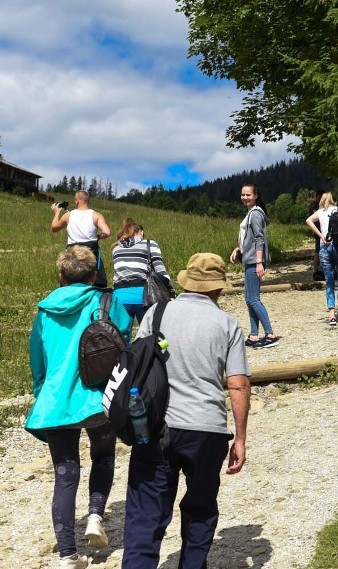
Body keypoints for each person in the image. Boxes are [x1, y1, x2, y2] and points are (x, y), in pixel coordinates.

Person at [122, 252, 251, 569]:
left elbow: (135, 364)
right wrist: (241, 439)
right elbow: (237, 385)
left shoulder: (156, 313)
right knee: (201, 507)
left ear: (187, 283)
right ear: (219, 289)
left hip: (156, 426)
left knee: (146, 511)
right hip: (207, 430)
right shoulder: (228, 325)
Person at [25, 246, 132, 569]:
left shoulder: (45, 311)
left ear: (61, 276)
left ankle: (68, 555)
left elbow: (37, 362)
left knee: (65, 474)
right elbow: (123, 343)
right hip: (98, 399)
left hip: (56, 402)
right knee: (103, 456)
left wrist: (41, 393)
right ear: (94, 274)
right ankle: (96, 515)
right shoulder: (109, 302)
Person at [229, 183, 280, 349]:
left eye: (248, 195)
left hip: (254, 261)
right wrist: (238, 249)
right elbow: (249, 238)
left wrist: (259, 262)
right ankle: (253, 335)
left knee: (253, 299)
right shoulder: (251, 213)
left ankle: (270, 334)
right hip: (249, 258)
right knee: (248, 299)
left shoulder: (256, 214)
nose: (245, 198)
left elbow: (259, 239)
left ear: (256, 195)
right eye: (242, 195)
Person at [111, 218, 176, 324]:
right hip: (144, 296)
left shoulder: (116, 249)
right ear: (141, 232)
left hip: (120, 296)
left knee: (120, 337)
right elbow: (160, 269)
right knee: (149, 334)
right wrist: (171, 291)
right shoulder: (149, 244)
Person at [306, 192, 338, 325]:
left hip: (325, 247)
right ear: (335, 200)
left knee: (329, 280)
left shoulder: (320, 212)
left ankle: (331, 314)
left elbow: (308, 220)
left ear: (322, 200)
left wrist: (321, 235)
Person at [50, 190, 111, 287]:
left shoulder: (68, 215)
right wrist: (98, 236)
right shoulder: (96, 215)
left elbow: (54, 227)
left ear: (76, 201)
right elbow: (107, 232)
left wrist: (57, 212)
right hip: (91, 252)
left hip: (73, 252)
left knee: (70, 281)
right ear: (88, 201)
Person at [308, 189, 324, 276]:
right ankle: (316, 270)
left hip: (318, 230)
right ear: (318, 196)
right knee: (318, 250)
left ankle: (318, 269)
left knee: (318, 250)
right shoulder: (314, 205)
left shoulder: (314, 205)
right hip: (318, 230)